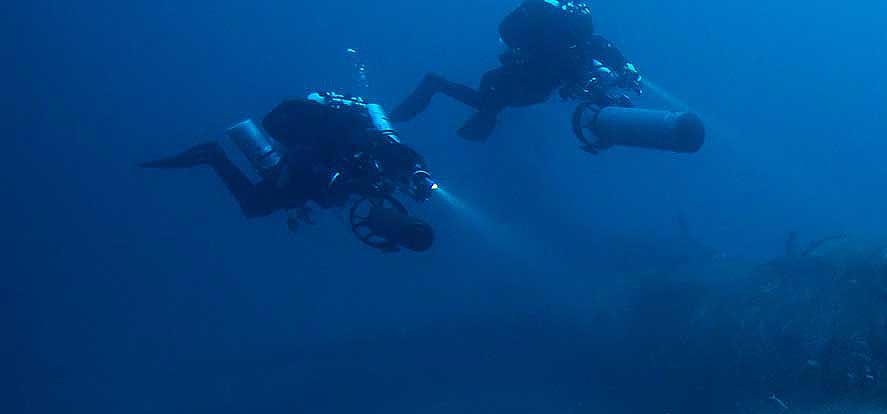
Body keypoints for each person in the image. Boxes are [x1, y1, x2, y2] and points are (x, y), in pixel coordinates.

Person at [140, 92, 438, 252]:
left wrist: (417, 177)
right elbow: (333, 175)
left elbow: (400, 161)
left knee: (257, 205)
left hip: (316, 172)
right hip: (308, 168)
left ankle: (212, 155)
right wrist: (364, 186)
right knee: (254, 205)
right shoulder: (370, 146)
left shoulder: (384, 153)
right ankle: (212, 154)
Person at [390, 0, 643, 141]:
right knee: (486, 103)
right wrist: (623, 71)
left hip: (528, 84)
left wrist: (625, 70)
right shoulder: (562, 40)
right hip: (513, 82)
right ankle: (435, 84)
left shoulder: (575, 43)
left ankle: (439, 86)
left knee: (488, 104)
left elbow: (597, 52)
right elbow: (596, 51)